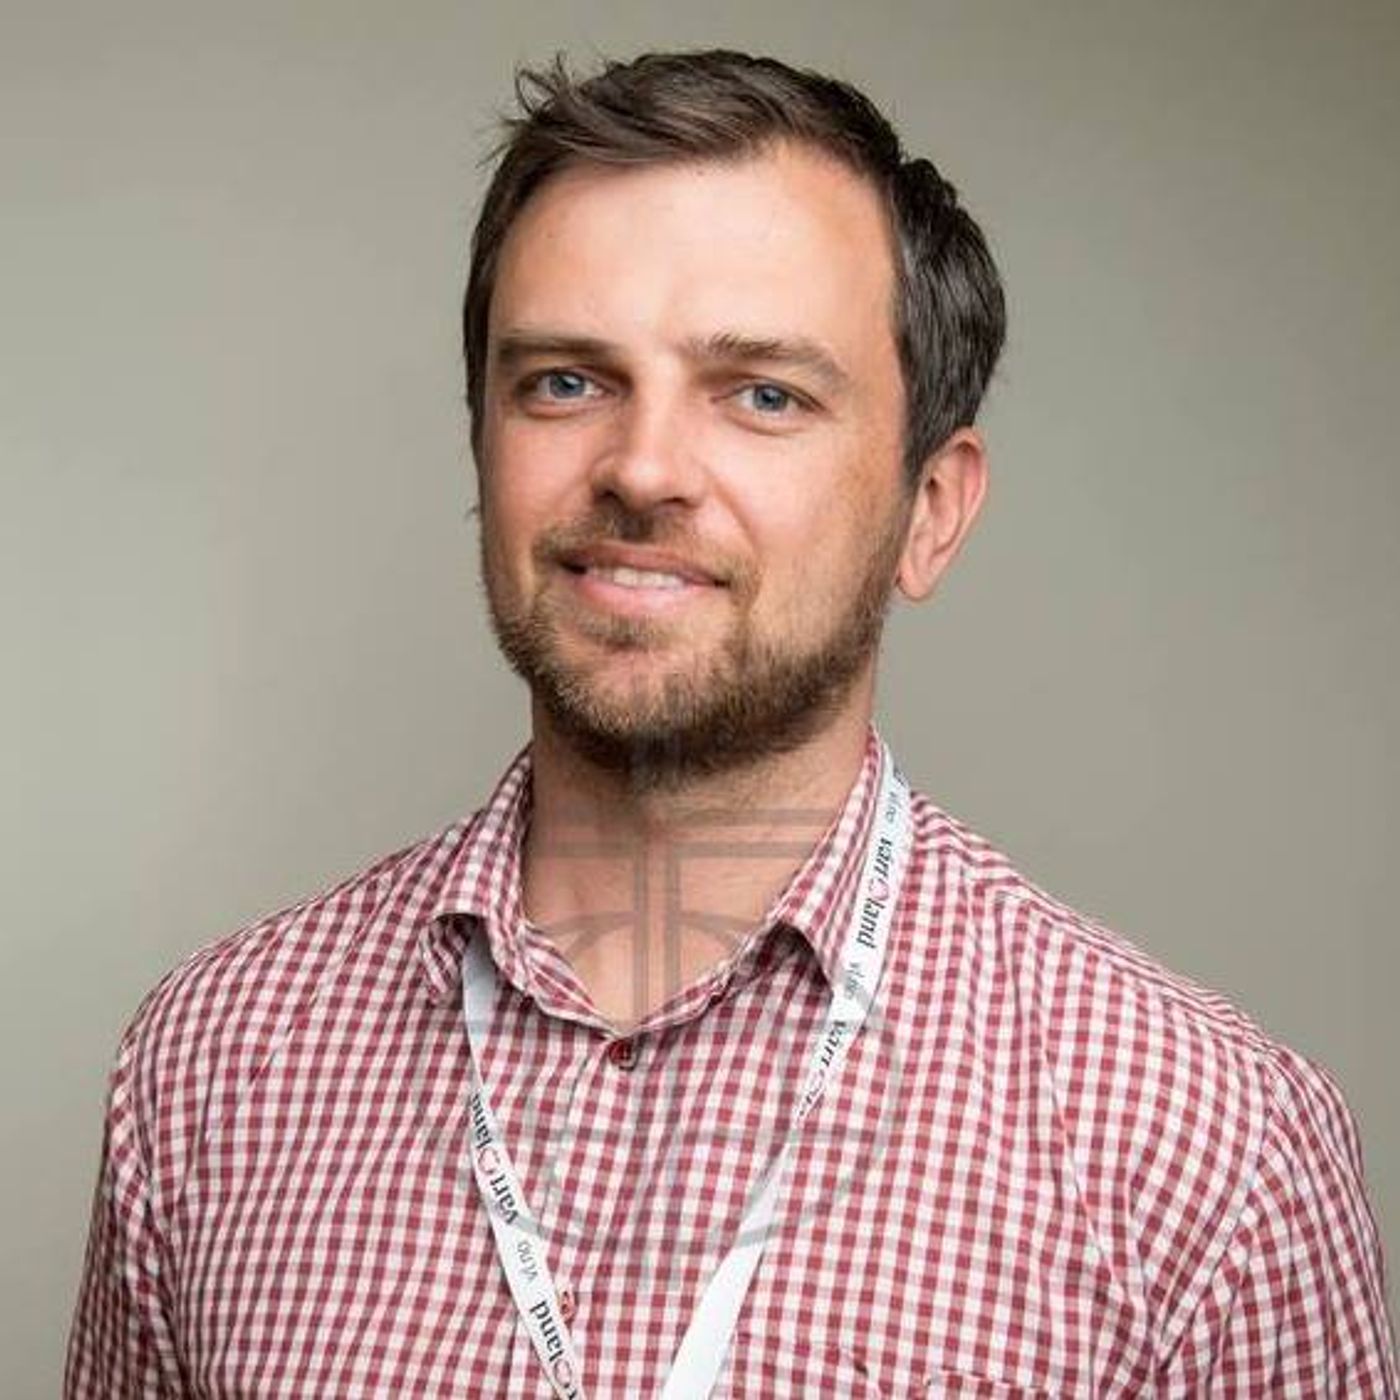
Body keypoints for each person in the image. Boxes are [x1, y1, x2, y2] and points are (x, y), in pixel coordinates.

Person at [66, 48, 1397, 1398]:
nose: (643, 469)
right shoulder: (210, 1068)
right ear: (481, 446)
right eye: (566, 381)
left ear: (930, 511)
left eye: (764, 394)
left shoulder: (1213, 1165)